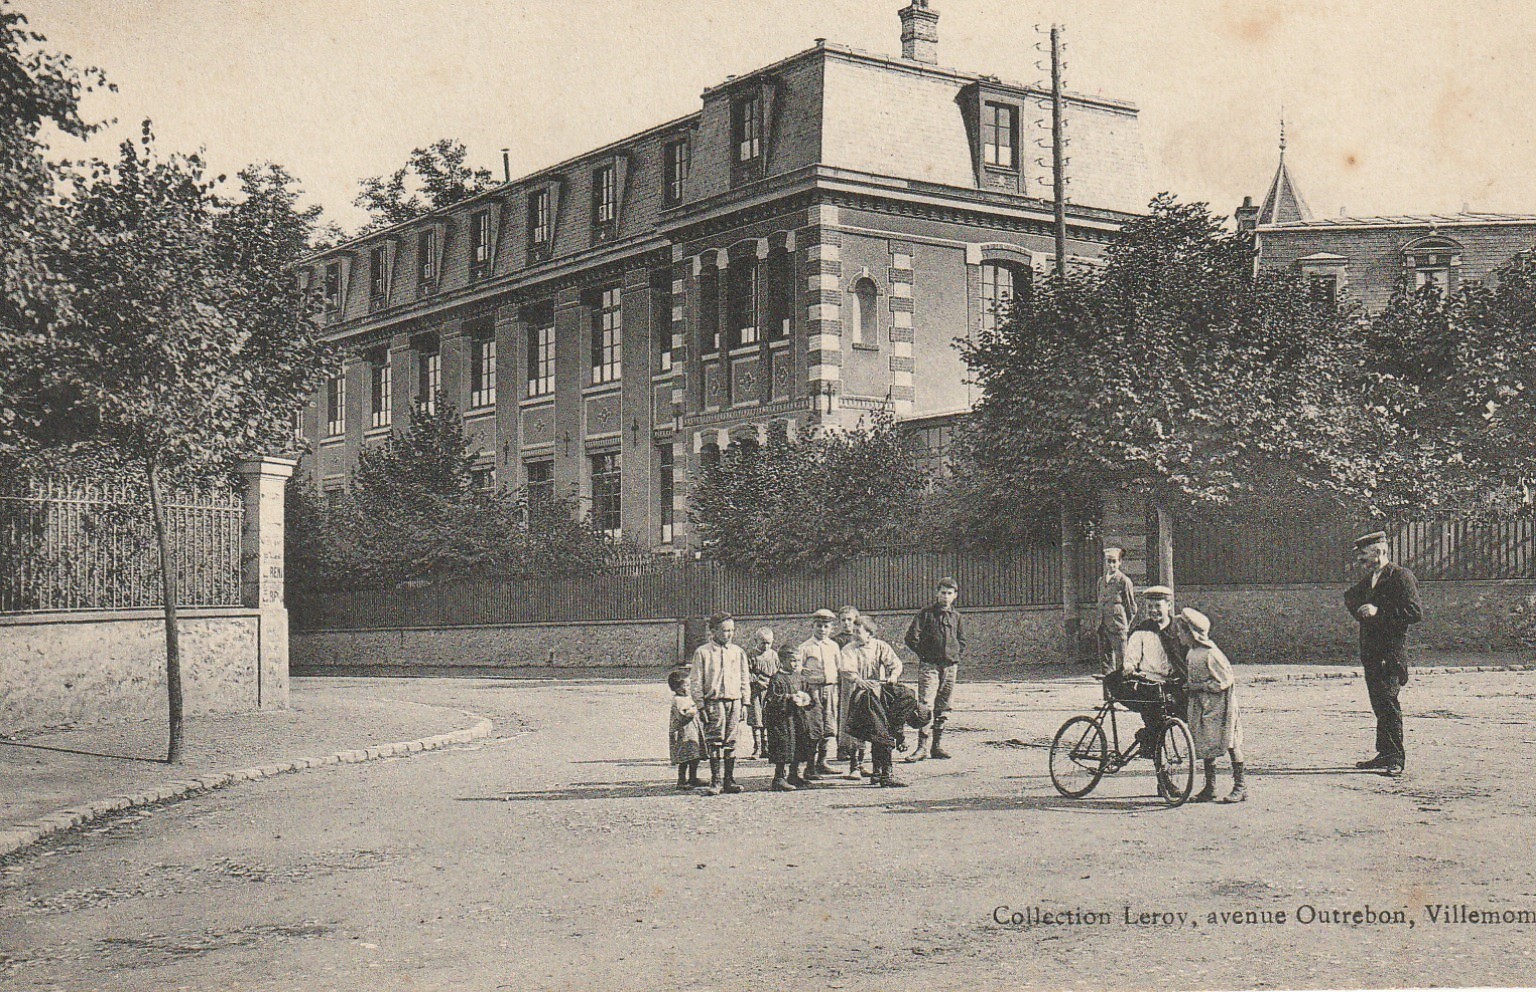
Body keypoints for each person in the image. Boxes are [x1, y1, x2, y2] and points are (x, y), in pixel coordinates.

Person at [1343, 531, 1423, 777]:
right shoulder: (1371, 579)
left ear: (1379, 552)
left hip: (1390, 653)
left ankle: (1396, 758)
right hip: (1372, 653)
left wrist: (1378, 612)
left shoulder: (1400, 576)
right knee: (1380, 703)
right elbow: (1349, 597)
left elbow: (1414, 612)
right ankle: (1384, 754)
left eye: (1364, 554)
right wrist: (1361, 611)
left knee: (1389, 703)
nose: (1360, 560)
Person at [1175, 608, 1246, 803]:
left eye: (1181, 632)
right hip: (1204, 706)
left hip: (1222, 707)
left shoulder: (1211, 654)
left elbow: (1224, 681)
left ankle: (1240, 786)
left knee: (1230, 742)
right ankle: (1210, 787)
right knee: (1206, 742)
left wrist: (1198, 686)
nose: (1179, 636)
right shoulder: (1192, 653)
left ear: (1192, 633)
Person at [688, 612, 752, 795]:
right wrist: (700, 705)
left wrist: (745, 703)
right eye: (724, 631)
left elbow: (744, 678)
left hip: (735, 702)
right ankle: (715, 781)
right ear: (713, 631)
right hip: (713, 703)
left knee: (731, 741)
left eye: (732, 630)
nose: (729, 634)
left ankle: (729, 780)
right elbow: (696, 681)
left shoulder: (738, 652)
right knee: (715, 741)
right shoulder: (703, 653)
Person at [904, 577, 964, 761]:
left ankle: (936, 747)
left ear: (955, 596)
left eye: (949, 593)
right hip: (930, 666)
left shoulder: (956, 617)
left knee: (943, 705)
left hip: (949, 667)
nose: (945, 597)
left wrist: (954, 654)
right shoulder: (926, 614)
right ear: (937, 593)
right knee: (925, 705)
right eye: (943, 592)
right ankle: (921, 747)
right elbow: (911, 638)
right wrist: (926, 654)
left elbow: (961, 640)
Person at [836, 617, 903, 780]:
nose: (855, 635)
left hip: (875, 693)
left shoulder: (880, 646)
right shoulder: (849, 648)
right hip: (854, 692)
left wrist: (893, 675)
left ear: (870, 633)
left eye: (859, 632)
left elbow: (895, 663)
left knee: (875, 726)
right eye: (854, 631)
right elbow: (846, 668)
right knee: (855, 726)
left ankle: (877, 769)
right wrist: (859, 681)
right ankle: (855, 766)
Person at [843, 677, 930, 788]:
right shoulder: (909, 699)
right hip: (869, 698)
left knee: (878, 737)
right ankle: (886, 776)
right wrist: (901, 740)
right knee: (885, 738)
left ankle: (877, 773)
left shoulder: (907, 695)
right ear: (916, 714)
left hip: (862, 695)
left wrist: (899, 737)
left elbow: (892, 720)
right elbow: (895, 722)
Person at [762, 650, 823, 791]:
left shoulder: (799, 678)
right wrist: (788, 697)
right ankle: (778, 778)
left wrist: (808, 699)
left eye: (798, 660)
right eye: (792, 660)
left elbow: (808, 694)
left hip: (798, 718)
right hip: (782, 720)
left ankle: (794, 774)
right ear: (782, 661)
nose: (796, 664)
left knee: (799, 744)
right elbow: (772, 699)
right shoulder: (777, 678)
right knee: (784, 746)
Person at [794, 608, 843, 777]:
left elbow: (839, 667)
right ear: (812, 626)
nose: (822, 629)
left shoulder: (834, 646)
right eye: (819, 625)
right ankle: (810, 766)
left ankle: (822, 761)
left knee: (829, 726)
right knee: (814, 727)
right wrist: (803, 673)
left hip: (830, 689)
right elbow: (797, 667)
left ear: (831, 628)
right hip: (812, 690)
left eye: (826, 626)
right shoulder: (805, 647)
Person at [1096, 547, 1137, 675]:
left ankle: (1122, 691)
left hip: (1118, 626)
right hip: (1102, 625)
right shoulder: (1101, 581)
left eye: (1114, 561)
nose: (1111, 565)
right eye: (1109, 561)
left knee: (1122, 661)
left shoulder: (1124, 581)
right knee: (1105, 662)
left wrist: (1124, 626)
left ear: (1120, 562)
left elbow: (1131, 607)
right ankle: (1108, 692)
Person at [667, 669, 705, 789]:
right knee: (684, 757)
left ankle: (693, 778)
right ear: (677, 688)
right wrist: (693, 710)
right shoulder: (677, 700)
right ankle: (681, 781)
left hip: (693, 731)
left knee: (694, 755)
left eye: (689, 685)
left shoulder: (689, 697)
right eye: (685, 685)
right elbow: (682, 716)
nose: (688, 688)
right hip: (683, 732)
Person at [746, 627, 780, 760]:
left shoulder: (773, 655)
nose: (766, 646)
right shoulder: (751, 655)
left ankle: (767, 747)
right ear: (756, 641)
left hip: (770, 690)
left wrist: (774, 683)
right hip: (756, 691)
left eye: (768, 643)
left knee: (768, 718)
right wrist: (756, 680)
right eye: (763, 643)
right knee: (756, 719)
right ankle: (757, 747)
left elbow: (777, 671)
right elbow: (746, 673)